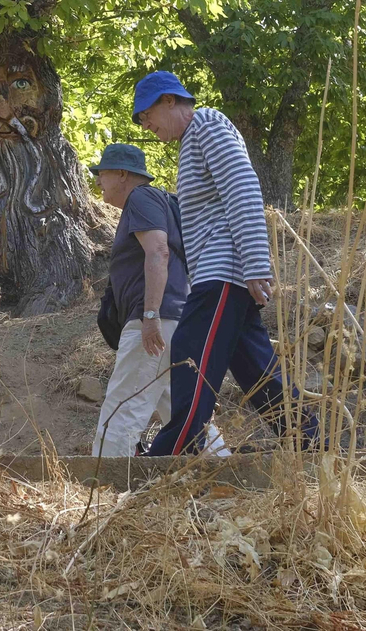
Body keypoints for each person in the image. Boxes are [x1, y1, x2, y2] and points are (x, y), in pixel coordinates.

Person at [132, 72, 317, 455]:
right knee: (258, 374)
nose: (145, 124)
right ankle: (315, 446)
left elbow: (243, 188)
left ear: (170, 101)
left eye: (146, 113)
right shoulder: (192, 141)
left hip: (225, 274)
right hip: (221, 275)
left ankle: (170, 457)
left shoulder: (207, 125)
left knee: (189, 350)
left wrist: (254, 263)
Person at [88, 143, 228, 458]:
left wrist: (150, 315)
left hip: (154, 321)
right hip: (178, 319)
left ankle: (105, 487)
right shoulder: (166, 203)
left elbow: (158, 251)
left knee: (124, 405)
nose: (98, 181)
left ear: (122, 174)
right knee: (178, 407)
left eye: (103, 173)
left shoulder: (141, 198)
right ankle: (225, 472)